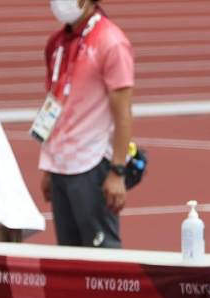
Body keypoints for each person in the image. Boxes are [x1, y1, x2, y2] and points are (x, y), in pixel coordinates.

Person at [36, 0, 134, 248]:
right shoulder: (56, 44)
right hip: (61, 165)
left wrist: (117, 172)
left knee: (102, 257)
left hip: (92, 164)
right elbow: (54, 103)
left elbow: (123, 113)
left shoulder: (111, 42)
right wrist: (49, 165)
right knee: (69, 257)